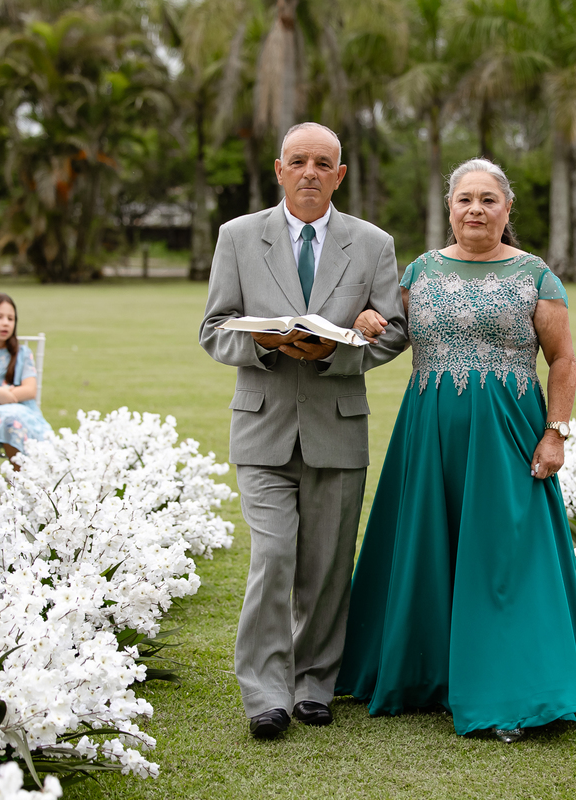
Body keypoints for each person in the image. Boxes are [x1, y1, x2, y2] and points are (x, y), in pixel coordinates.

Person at [336, 158, 576, 742]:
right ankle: (422, 673)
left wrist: (556, 432)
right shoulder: (420, 271)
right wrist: (369, 319)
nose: (476, 210)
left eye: (488, 199)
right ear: (449, 208)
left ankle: (511, 691)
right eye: (465, 199)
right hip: (429, 431)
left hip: (508, 433)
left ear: (507, 209)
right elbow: (391, 332)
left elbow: (563, 359)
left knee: (503, 554)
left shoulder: (535, 275)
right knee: (425, 547)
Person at [198, 122, 408, 740]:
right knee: (273, 557)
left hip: (337, 428)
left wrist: (341, 348)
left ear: (339, 175)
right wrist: (267, 342)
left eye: (322, 163)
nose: (309, 172)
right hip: (261, 426)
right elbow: (214, 328)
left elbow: (395, 330)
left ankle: (314, 682)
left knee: (327, 565)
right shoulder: (238, 236)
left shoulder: (373, 244)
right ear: (279, 170)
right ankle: (266, 693)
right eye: (298, 161)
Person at [0, 292, 51, 464]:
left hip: (19, 408)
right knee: (11, 418)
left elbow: (30, 390)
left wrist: (9, 396)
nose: (5, 323)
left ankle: (23, 471)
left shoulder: (21, 353)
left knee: (15, 417)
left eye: (11, 319)